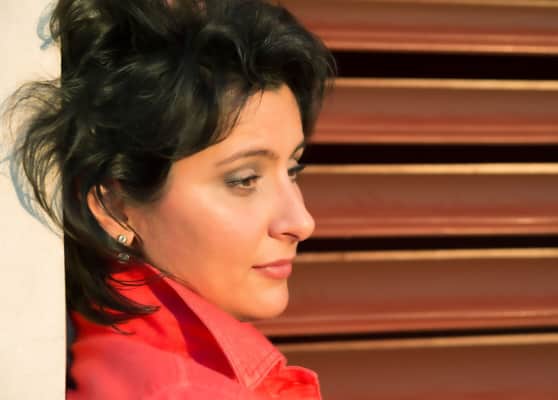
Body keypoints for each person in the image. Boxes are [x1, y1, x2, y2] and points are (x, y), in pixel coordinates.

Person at [6, 0, 335, 398]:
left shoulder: (108, 356)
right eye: (245, 180)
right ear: (114, 207)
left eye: (293, 169)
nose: (301, 222)